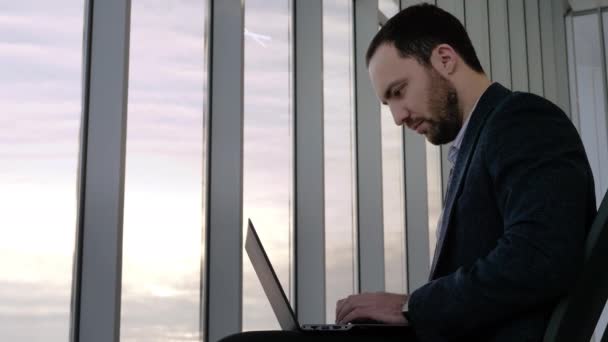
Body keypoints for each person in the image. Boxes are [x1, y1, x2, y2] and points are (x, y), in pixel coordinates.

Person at [221, 4, 596, 342]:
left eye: (399, 91)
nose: (398, 117)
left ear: (445, 59)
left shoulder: (522, 119)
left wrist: (410, 308)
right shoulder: (478, 142)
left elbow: (543, 255)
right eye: (388, 103)